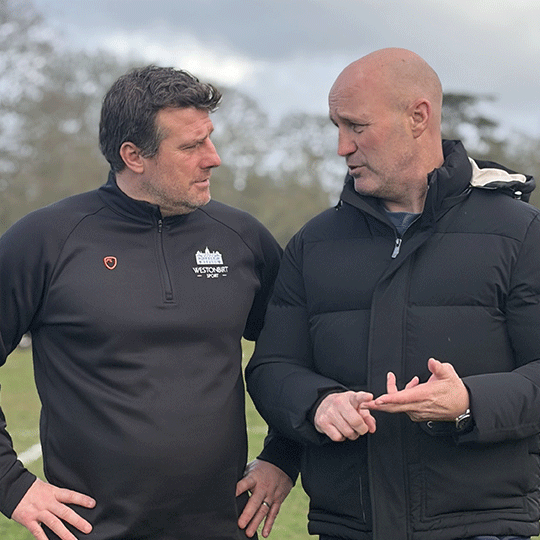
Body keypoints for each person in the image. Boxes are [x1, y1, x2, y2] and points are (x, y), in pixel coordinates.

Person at [246, 48, 540, 540]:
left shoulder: (522, 234)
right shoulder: (313, 244)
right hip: (347, 527)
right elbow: (272, 367)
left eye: (357, 126)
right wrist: (317, 404)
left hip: (481, 525)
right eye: (336, 127)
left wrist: (470, 401)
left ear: (418, 117)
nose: (342, 147)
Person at [0, 65, 300, 540]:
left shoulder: (243, 239)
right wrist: (12, 486)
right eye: (191, 146)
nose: (214, 158)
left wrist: (283, 455)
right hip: (89, 530)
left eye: (209, 138)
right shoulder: (43, 241)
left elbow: (296, 349)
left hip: (223, 527)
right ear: (133, 156)